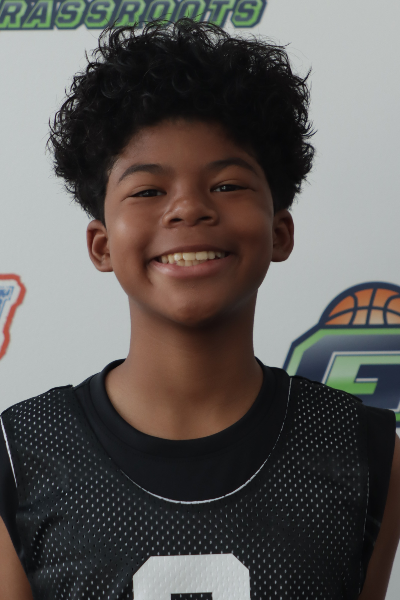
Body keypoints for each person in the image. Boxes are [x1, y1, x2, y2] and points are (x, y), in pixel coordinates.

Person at [0, 18, 399, 600]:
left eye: (227, 185)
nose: (188, 209)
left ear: (280, 232)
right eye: (148, 190)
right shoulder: (21, 454)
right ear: (102, 245)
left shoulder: (364, 450)